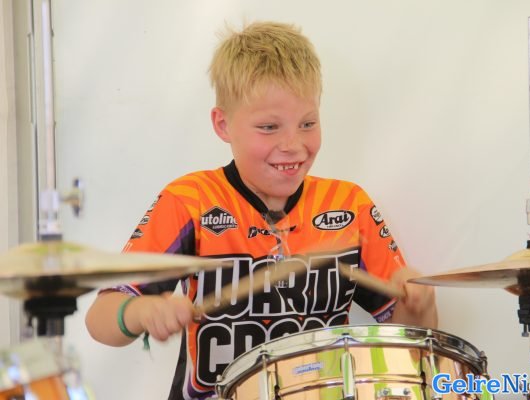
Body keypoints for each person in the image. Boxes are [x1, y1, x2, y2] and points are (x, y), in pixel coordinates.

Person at [85, 21, 437, 400]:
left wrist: (419, 302)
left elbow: (410, 350)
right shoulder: (189, 200)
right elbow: (100, 319)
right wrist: (141, 312)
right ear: (223, 124)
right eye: (269, 127)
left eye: (308, 124)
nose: (293, 144)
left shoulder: (349, 206)